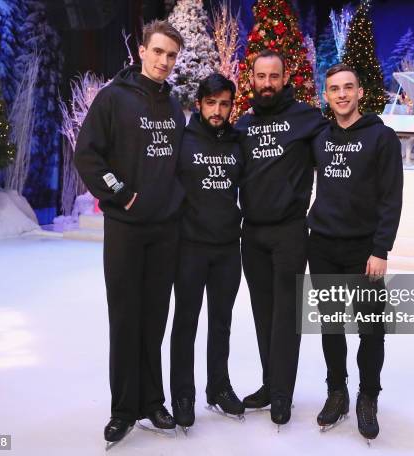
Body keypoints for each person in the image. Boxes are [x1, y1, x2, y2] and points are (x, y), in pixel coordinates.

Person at [74, 20, 186, 444]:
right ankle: (123, 409)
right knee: (125, 319)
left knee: (155, 319)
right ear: (142, 51)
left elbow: (179, 163)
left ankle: (152, 401)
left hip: (165, 231)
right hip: (125, 228)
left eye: (171, 55)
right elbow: (88, 155)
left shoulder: (174, 107)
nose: (164, 61)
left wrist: (175, 201)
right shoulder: (112, 99)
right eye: (158, 52)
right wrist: (122, 195)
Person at [308, 63, 403, 442]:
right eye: (334, 89)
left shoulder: (382, 138)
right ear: (326, 95)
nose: (342, 94)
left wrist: (381, 249)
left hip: (365, 250)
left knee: (370, 328)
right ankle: (337, 392)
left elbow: (391, 198)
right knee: (330, 324)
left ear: (360, 92)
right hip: (323, 245)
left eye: (349, 87)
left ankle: (368, 395)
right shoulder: (319, 136)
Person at [235, 49, 328, 427]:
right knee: (262, 313)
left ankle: (281, 395)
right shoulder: (242, 125)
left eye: (275, 76)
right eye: (261, 76)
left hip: (290, 232)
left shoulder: (307, 119)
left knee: (286, 316)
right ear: (252, 79)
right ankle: (268, 382)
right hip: (251, 232)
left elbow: (338, 147)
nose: (268, 83)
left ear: (285, 78)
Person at [169, 73, 246, 430]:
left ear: (232, 106)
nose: (218, 110)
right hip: (189, 248)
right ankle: (183, 394)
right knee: (185, 322)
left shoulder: (237, 141)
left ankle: (218, 386)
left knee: (222, 322)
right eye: (211, 102)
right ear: (199, 103)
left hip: (229, 248)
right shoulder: (182, 140)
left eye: (225, 104)